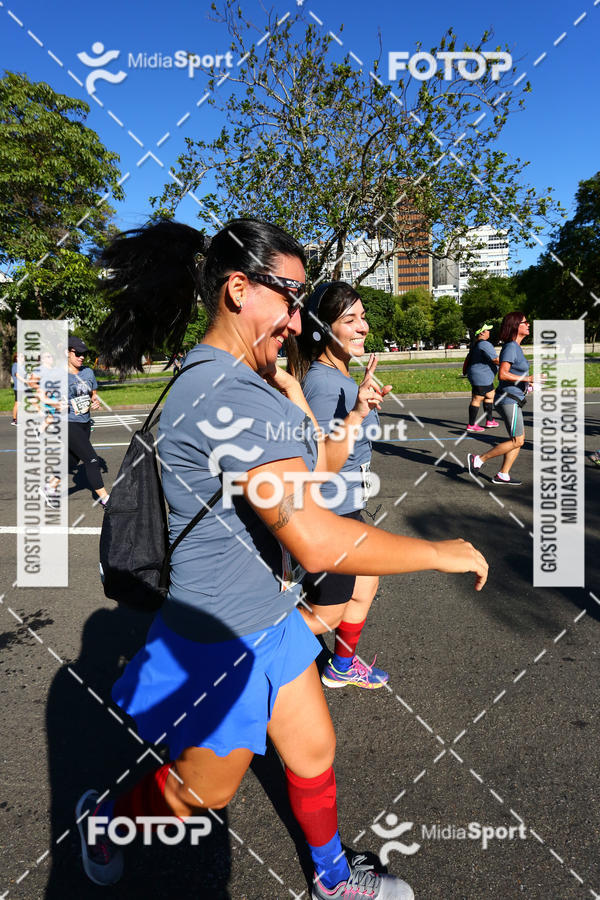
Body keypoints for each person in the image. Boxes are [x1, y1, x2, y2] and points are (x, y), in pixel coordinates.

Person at [76, 218, 488, 900]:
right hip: (220, 637)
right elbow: (315, 538)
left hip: (270, 616)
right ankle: (104, 820)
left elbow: (311, 475)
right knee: (201, 793)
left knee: (314, 752)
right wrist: (438, 552)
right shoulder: (223, 392)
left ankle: (332, 877)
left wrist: (330, 417)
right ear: (239, 289)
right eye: (290, 297)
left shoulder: (250, 381)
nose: (299, 320)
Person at [287, 282, 392, 689]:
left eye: (362, 316)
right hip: (332, 512)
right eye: (350, 319)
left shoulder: (340, 377)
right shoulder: (325, 385)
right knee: (326, 614)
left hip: (350, 505)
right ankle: (242, 649)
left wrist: (363, 401)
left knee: (366, 584)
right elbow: (314, 461)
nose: (362, 326)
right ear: (321, 330)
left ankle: (342, 666)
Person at [467, 311, 533, 486]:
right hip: (508, 399)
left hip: (514, 398)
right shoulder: (511, 347)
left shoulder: (515, 347)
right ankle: (479, 459)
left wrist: (527, 385)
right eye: (525, 322)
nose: (528, 325)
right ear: (515, 326)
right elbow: (503, 375)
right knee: (517, 440)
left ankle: (503, 474)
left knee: (517, 441)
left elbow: (512, 373)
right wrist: (527, 379)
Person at [65, 335, 109, 506]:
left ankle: (49, 486)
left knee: (73, 459)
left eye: (84, 353)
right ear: (67, 353)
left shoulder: (88, 372)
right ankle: (106, 499)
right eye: (78, 353)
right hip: (68, 422)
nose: (82, 357)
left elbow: (93, 394)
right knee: (91, 459)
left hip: (85, 423)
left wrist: (95, 401)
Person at [464, 324, 500, 432]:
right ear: (482, 332)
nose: (489, 332)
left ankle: (489, 420)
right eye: (488, 330)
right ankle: (471, 425)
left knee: (490, 395)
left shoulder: (476, 344)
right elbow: (495, 360)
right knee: (477, 398)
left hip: (483, 376)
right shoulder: (484, 344)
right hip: (481, 377)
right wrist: (508, 364)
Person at [10, 351, 26, 425]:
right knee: (18, 403)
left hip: (23, 387)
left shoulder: (23, 366)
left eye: (23, 356)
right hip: (18, 388)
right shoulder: (15, 365)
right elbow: (17, 375)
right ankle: (14, 420)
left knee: (19, 403)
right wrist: (26, 381)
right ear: (17, 358)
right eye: (21, 356)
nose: (23, 358)